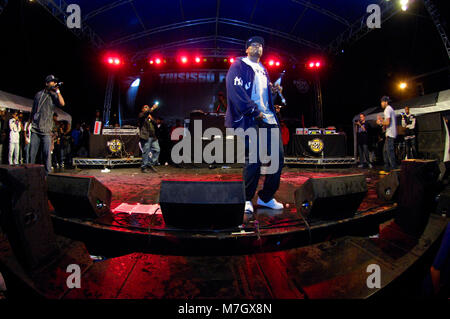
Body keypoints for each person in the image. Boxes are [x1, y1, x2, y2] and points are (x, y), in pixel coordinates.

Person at [225, 35, 284, 213]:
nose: (258, 48)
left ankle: (266, 197)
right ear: (247, 49)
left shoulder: (263, 69)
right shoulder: (238, 65)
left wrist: (273, 91)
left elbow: (264, 97)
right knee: (255, 158)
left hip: (268, 118)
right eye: (254, 45)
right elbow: (235, 90)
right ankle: (246, 198)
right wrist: (253, 111)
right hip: (251, 118)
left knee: (278, 158)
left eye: (261, 46)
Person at [30, 75, 65, 175]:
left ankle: (48, 176)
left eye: (55, 82)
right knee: (32, 154)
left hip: (46, 131)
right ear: (46, 83)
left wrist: (57, 91)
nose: (54, 83)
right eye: (52, 82)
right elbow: (33, 111)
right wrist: (29, 125)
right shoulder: (38, 95)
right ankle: (29, 175)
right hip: (35, 129)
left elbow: (62, 103)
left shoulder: (54, 95)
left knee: (47, 155)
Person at [376, 96, 397, 174]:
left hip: (390, 134)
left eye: (382, 102)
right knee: (385, 151)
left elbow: (387, 122)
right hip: (389, 133)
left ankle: (394, 170)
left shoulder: (387, 109)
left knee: (389, 152)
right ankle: (387, 169)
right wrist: (382, 120)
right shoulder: (390, 109)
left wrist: (380, 122)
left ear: (386, 102)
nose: (381, 103)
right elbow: (388, 123)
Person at [139, 103, 160, 173]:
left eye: (147, 107)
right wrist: (152, 108)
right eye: (145, 107)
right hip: (146, 137)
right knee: (146, 152)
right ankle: (144, 167)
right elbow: (145, 114)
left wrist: (152, 119)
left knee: (157, 150)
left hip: (153, 137)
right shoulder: (141, 115)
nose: (147, 108)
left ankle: (150, 164)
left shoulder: (150, 117)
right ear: (142, 109)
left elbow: (156, 124)